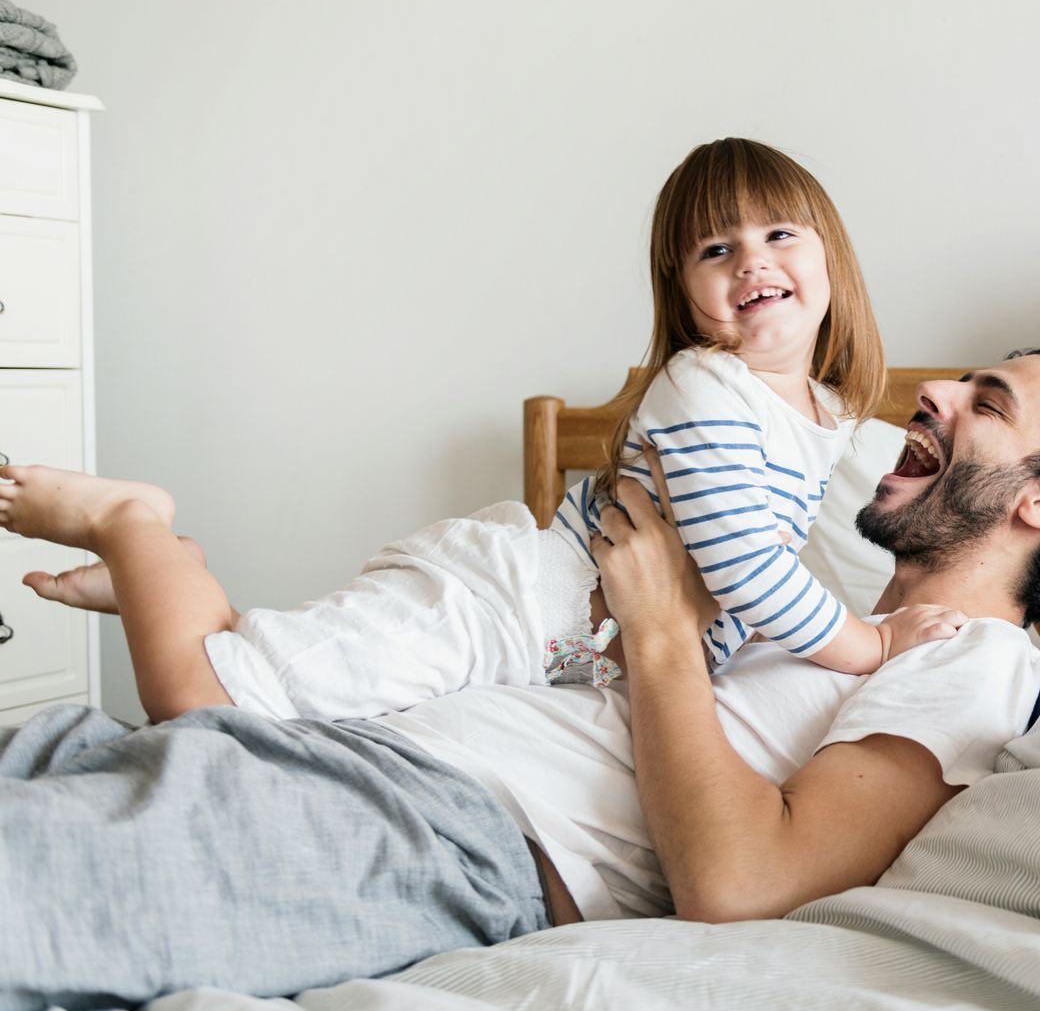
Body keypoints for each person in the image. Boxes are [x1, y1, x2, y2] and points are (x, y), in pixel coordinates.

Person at [0, 328, 1040, 1011]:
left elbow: (746, 883)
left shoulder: (971, 664)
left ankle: (143, 537)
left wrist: (659, 630)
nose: (934, 396)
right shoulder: (806, 604)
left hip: (429, 832)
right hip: (338, 749)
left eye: (987, 403)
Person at [21, 137, 961, 730]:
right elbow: (745, 566)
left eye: (780, 235)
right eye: (717, 248)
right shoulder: (706, 387)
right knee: (208, 701)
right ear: (683, 292)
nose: (752, 260)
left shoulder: (829, 419)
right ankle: (133, 526)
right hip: (504, 608)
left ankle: (163, 581)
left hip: (551, 653)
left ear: (831, 255)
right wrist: (869, 645)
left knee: (281, 688)